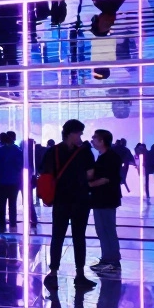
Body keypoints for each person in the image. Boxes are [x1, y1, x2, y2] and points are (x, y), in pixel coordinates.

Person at [40, 119, 97, 293]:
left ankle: (53, 273)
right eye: (79, 133)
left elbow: (45, 173)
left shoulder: (53, 151)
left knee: (57, 236)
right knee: (79, 237)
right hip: (80, 199)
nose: (81, 136)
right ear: (71, 134)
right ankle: (79, 274)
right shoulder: (85, 152)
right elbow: (90, 174)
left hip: (61, 199)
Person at [87, 129, 122, 275]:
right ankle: (107, 259)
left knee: (107, 229)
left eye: (94, 138)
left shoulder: (110, 157)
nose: (92, 140)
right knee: (102, 230)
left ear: (102, 141)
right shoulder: (103, 156)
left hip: (106, 198)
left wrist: (88, 185)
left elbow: (106, 179)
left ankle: (112, 261)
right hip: (100, 199)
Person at [0, 132, 23, 233]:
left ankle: (2, 225)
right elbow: (20, 165)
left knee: (1, 205)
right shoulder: (17, 150)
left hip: (2, 181)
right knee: (13, 204)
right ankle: (13, 224)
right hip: (14, 181)